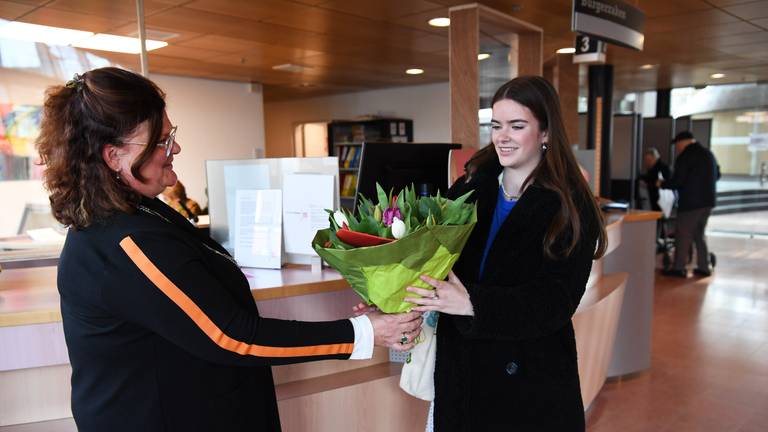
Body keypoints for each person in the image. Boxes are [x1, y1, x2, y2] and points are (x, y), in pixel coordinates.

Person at [35, 67, 421, 432]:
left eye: (172, 134)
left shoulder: (141, 214)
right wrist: (365, 334)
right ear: (112, 156)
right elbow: (231, 337)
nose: (176, 147)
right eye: (161, 141)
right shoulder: (127, 243)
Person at [403, 76, 607, 431]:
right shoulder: (469, 186)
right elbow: (430, 253)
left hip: (528, 382)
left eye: (517, 125)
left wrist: (472, 304)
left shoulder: (571, 205)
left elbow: (556, 302)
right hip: (462, 371)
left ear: (545, 133)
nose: (502, 136)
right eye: (496, 125)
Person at [659, 131, 720, 278]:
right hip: (708, 202)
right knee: (699, 234)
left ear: (683, 142)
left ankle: (679, 268)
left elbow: (678, 181)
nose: (677, 148)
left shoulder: (686, 156)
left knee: (683, 234)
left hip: (691, 203)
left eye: (677, 145)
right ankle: (704, 267)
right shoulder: (708, 154)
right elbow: (717, 175)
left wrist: (662, 184)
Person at [639, 147, 671, 211]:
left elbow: (657, 182)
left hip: (660, 198)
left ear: (654, 158)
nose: (647, 162)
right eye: (646, 160)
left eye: (649, 160)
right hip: (659, 198)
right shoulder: (655, 167)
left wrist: (648, 183)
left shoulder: (660, 168)